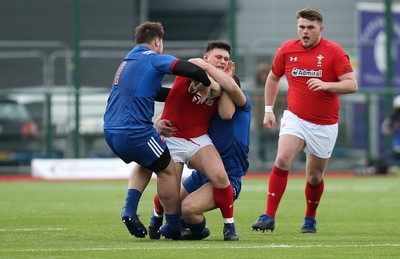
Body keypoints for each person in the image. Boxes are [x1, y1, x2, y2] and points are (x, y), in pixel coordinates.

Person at [251, 7, 358, 234]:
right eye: (301, 27)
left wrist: (327, 84)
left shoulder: (334, 52)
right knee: (282, 159)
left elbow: (351, 84)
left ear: (321, 29)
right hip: (295, 117)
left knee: (314, 176)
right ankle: (268, 215)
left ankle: (310, 217)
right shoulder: (287, 50)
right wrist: (268, 110)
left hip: (325, 124)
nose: (305, 32)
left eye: (310, 27)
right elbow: (272, 78)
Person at [103, 21, 213, 240]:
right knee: (168, 171)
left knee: (148, 163)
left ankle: (130, 209)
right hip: (135, 132)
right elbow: (189, 68)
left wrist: (186, 95)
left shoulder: (127, 62)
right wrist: (205, 83)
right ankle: (172, 225)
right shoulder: (153, 58)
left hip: (111, 131)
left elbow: (155, 93)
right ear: (157, 41)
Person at [147, 41, 242, 241]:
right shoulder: (194, 66)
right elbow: (193, 69)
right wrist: (158, 122)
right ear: (206, 58)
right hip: (173, 139)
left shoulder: (227, 84)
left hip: (198, 139)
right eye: (218, 57)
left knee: (220, 176)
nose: (223, 61)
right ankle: (156, 218)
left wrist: (218, 82)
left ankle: (229, 227)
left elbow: (225, 109)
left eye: (226, 59)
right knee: (170, 191)